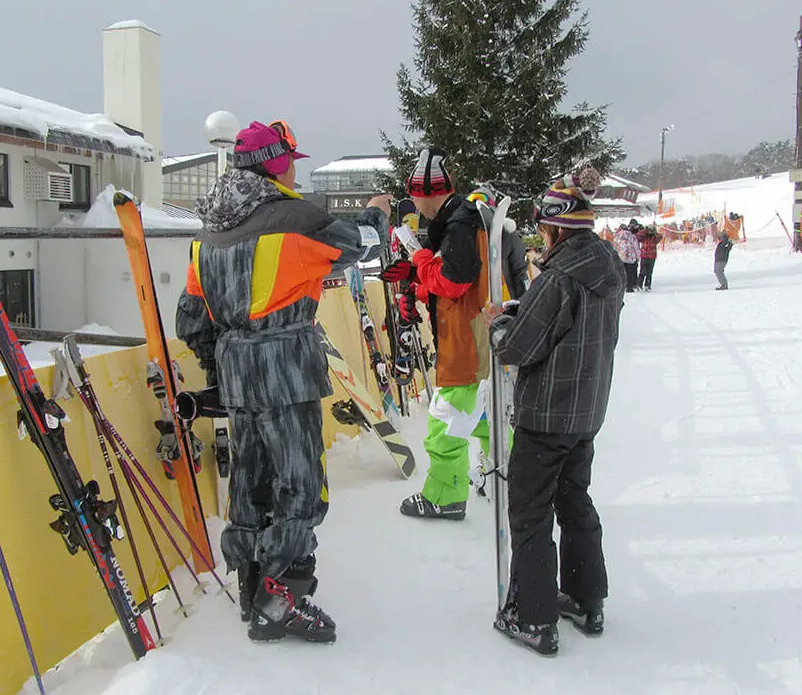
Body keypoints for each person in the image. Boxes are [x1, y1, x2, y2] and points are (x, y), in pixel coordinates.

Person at [176, 119, 390, 643]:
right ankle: (282, 601)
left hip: (237, 375)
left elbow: (191, 321)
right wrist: (380, 214)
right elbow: (363, 246)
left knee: (250, 481)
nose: (296, 168)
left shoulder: (206, 235)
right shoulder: (297, 218)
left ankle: (252, 585)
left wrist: (227, 364)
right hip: (287, 371)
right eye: (291, 159)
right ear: (277, 163)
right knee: (300, 484)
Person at [487, 168, 625, 656]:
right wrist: (521, 309)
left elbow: (521, 346)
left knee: (530, 512)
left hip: (546, 415)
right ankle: (588, 601)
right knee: (575, 502)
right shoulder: (608, 266)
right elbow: (567, 328)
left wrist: (498, 327)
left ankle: (535, 617)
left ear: (554, 228)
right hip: (585, 412)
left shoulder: (560, 277)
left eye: (543, 228)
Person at [381, 148, 492, 521]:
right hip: (472, 339)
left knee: (444, 425)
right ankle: (510, 478)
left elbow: (453, 280)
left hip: (466, 344)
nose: (413, 201)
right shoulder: (455, 220)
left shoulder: (459, 224)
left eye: (415, 194)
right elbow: (451, 278)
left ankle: (445, 497)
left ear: (428, 193)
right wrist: (415, 280)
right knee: (482, 419)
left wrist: (419, 263)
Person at [612, 223, 640, 292]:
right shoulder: (632, 237)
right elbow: (636, 247)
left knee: (621, 272)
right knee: (630, 273)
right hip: (631, 257)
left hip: (620, 257)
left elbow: (614, 247)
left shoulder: (617, 237)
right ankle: (629, 287)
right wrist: (638, 257)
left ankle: (622, 286)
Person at [637, 224, 662, 290]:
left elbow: (660, 236)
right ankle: (639, 284)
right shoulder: (644, 237)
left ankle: (647, 285)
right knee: (642, 271)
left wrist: (654, 232)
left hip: (652, 256)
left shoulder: (654, 238)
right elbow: (638, 236)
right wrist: (645, 231)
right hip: (644, 256)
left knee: (649, 272)